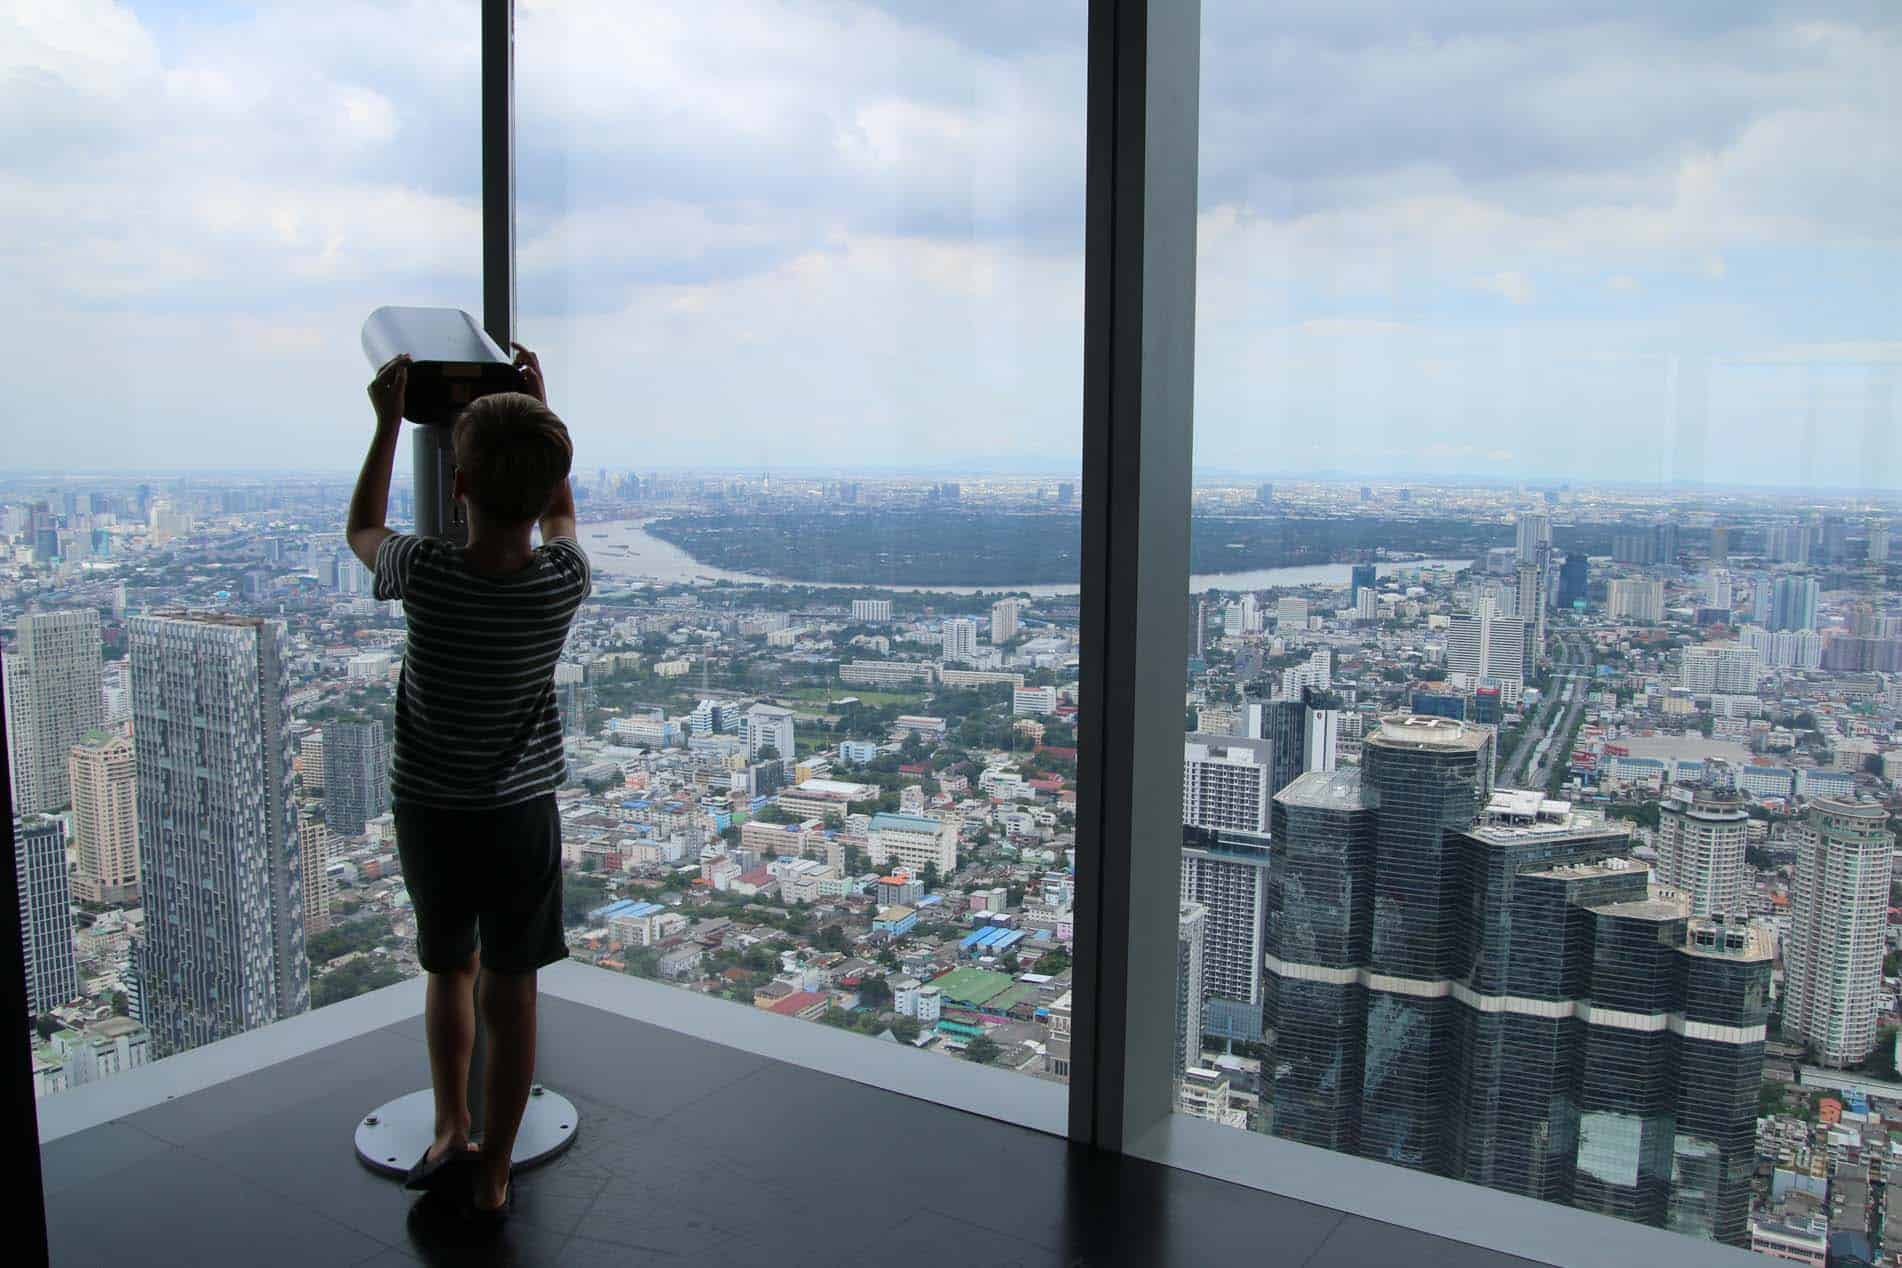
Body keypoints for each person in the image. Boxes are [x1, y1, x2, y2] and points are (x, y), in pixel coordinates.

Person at [346, 343, 590, 1221]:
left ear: (457, 488)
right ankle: (494, 1165)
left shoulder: (430, 575)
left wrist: (385, 424)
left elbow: (363, 530)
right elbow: (561, 518)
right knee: (514, 988)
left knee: (450, 970)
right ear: (549, 483)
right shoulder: (564, 581)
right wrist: (542, 402)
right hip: (522, 813)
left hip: (432, 809)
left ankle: (449, 1126)